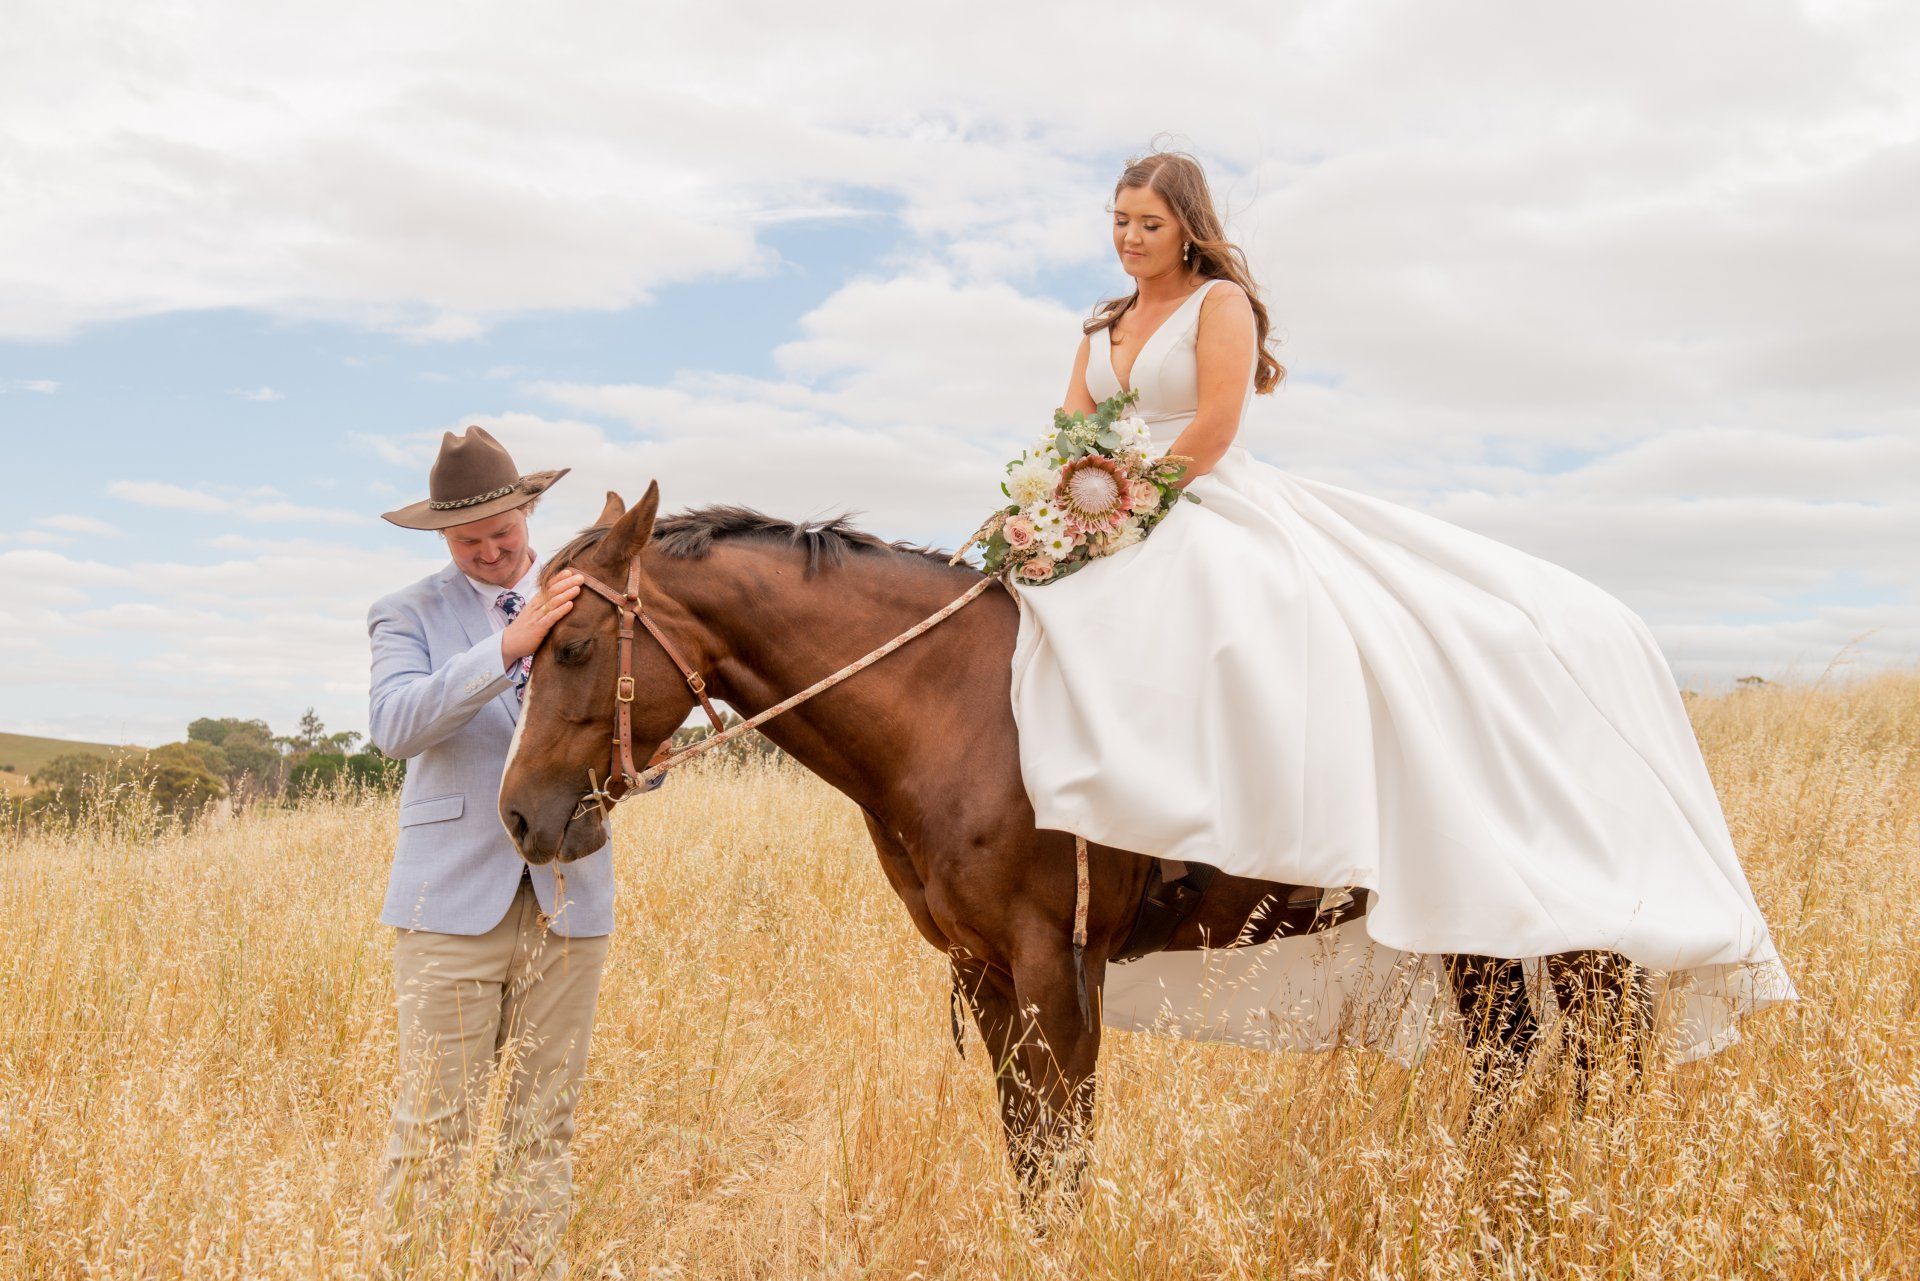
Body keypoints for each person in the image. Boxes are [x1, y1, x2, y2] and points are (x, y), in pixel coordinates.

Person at [1006, 149, 1795, 1064]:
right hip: (1102, 504)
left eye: (1149, 223)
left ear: (1187, 226)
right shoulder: (1102, 326)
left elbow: (1216, 425)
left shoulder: (1219, 306)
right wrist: (1058, 506)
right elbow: (1069, 429)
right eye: (1119, 221)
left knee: (1243, 610)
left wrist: (1135, 500)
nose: (1130, 239)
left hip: (1193, 492)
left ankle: (1253, 834)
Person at [367, 425, 603, 1276]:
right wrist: (505, 647)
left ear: (531, 509)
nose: (492, 550)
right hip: (447, 905)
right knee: (433, 1126)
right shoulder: (405, 613)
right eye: (470, 541)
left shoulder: (589, 598)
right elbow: (394, 727)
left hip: (572, 899)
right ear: (442, 535)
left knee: (543, 1127)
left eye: (504, 532)